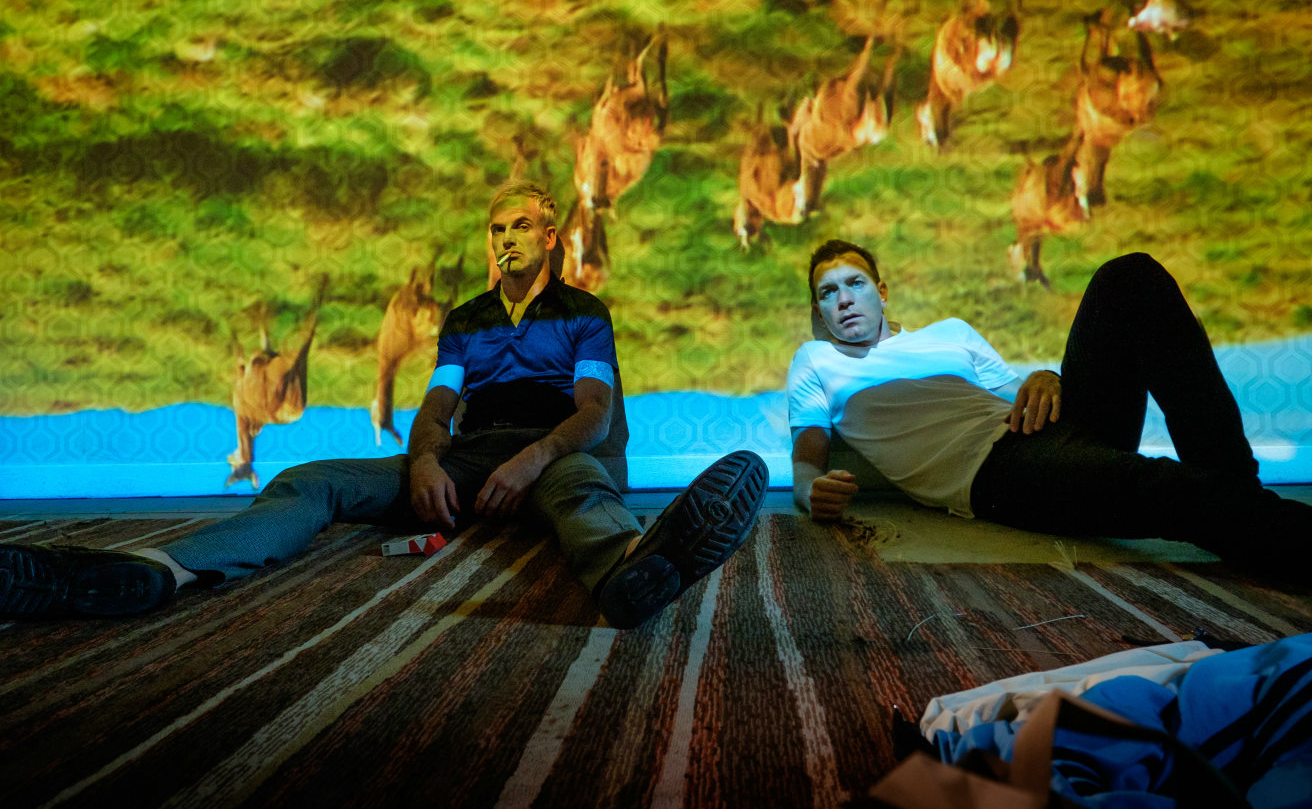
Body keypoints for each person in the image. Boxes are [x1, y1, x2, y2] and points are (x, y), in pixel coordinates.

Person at [0, 182, 768, 629]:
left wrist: (533, 458)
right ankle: (161, 568)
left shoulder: (583, 313)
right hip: (467, 458)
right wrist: (426, 459)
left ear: (552, 236)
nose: (506, 238)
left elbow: (594, 412)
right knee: (313, 478)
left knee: (581, 487)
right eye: (496, 229)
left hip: (554, 453)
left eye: (521, 226)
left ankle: (629, 570)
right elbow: (437, 404)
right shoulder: (466, 319)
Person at [788, 239, 1312, 599]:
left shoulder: (951, 334)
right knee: (1176, 493)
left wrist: (1046, 376)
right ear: (819, 311)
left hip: (1049, 428)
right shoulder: (817, 361)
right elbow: (806, 460)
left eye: (854, 283)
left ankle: (1236, 494)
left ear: (881, 291)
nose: (843, 299)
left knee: (1128, 276)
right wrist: (814, 492)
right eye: (827, 293)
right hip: (1001, 471)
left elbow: (1023, 393)